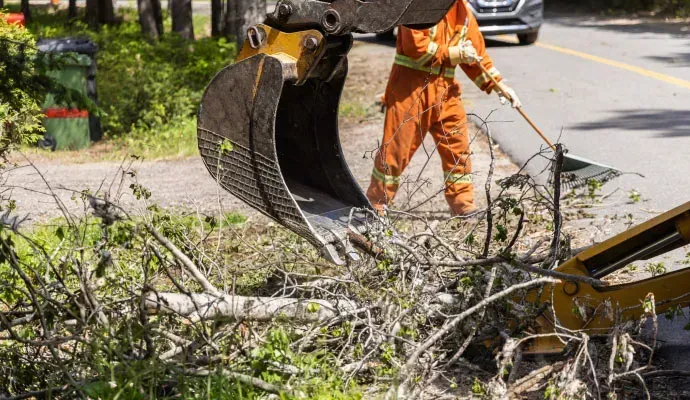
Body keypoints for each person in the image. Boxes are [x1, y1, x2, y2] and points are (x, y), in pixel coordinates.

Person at [366, 0, 521, 217]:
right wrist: (454, 54)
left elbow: (476, 55)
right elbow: (415, 48)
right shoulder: (418, 7)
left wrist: (500, 85)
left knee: (458, 149)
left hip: (446, 93)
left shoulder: (463, 12)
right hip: (410, 92)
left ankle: (463, 205)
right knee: (395, 152)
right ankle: (375, 204)